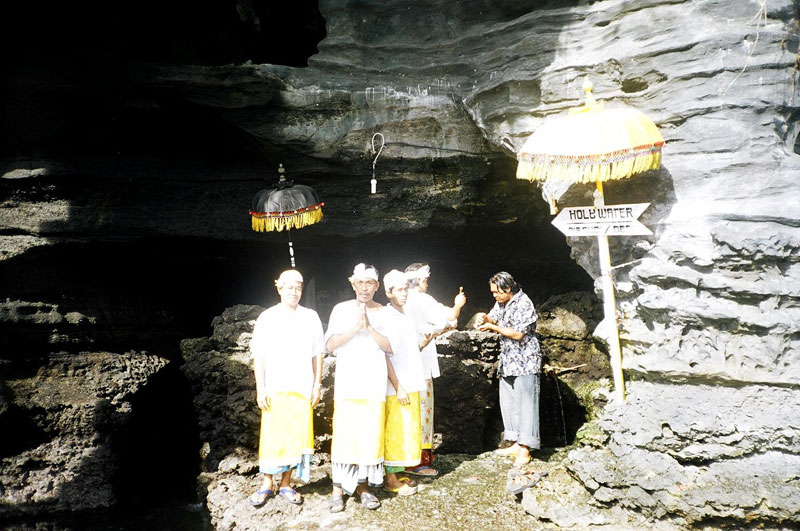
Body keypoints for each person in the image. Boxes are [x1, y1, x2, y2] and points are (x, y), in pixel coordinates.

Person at [249, 269, 324, 507]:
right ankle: (266, 484)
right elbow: (259, 356)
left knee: (296, 436)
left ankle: (286, 484)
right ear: (279, 288)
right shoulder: (267, 318)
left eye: (298, 288)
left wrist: (317, 384)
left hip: (302, 386)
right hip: (275, 386)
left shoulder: (310, 317)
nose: (294, 292)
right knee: (272, 436)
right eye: (289, 287)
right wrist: (260, 388)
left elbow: (318, 353)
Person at [325, 263, 392, 512]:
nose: (365, 288)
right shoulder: (340, 310)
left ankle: (364, 487)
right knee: (345, 436)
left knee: (369, 436)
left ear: (376, 286)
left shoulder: (384, 312)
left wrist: (369, 328)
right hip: (348, 384)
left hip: (374, 384)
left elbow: (390, 346)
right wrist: (355, 327)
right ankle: (337, 490)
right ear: (353, 284)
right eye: (360, 283)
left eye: (369, 283)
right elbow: (330, 344)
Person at [403, 262, 466, 476]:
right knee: (422, 411)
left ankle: (407, 458)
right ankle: (419, 462)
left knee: (410, 413)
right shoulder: (421, 299)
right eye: (426, 280)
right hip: (420, 365)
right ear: (420, 280)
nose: (427, 284)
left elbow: (434, 326)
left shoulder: (401, 300)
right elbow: (446, 317)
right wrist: (457, 305)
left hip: (404, 365)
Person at [474, 271, 541, 467]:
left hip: (526, 361)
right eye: (493, 293)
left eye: (497, 292)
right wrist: (485, 318)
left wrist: (493, 328)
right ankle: (514, 442)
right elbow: (494, 318)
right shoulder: (502, 302)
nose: (494, 296)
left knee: (526, 404)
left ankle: (525, 448)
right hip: (509, 361)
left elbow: (519, 334)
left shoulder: (524, 303)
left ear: (508, 288)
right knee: (509, 402)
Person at [381, 270, 427, 496]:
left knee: (406, 430)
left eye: (406, 288)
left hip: (411, 381)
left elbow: (408, 350)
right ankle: (390, 479)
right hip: (397, 386)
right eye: (399, 289)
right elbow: (385, 355)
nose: (404, 293)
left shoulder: (405, 315)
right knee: (395, 431)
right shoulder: (386, 317)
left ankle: (397, 472)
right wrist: (397, 385)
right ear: (389, 292)